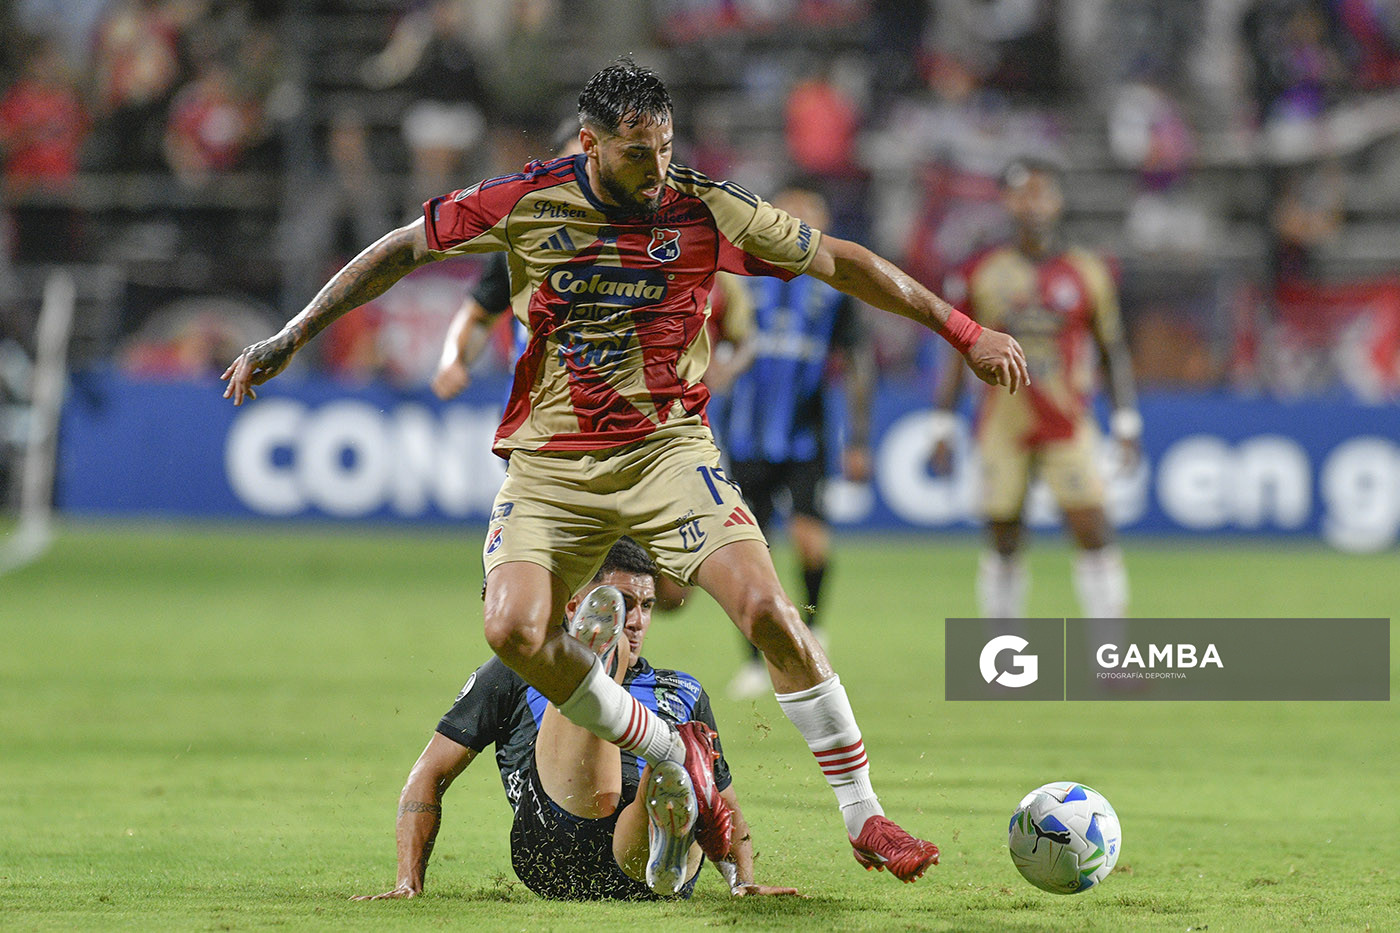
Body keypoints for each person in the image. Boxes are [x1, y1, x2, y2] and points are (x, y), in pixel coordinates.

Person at [224, 58, 1028, 882]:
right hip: (549, 467)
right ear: (591, 144)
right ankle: (654, 738)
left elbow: (843, 263)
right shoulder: (529, 201)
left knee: (773, 612)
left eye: (668, 148)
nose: (659, 170)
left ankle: (866, 817)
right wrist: (290, 334)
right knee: (512, 631)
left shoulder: (706, 206)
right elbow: (401, 251)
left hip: (667, 452)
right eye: (639, 153)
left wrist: (965, 333)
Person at [352, 538, 798, 901]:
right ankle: (594, 669)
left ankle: (664, 824)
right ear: (573, 607)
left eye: (645, 605)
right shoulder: (515, 672)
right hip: (558, 841)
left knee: (674, 775)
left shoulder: (684, 691)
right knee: (659, 742)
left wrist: (743, 881)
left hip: (642, 868)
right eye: (623, 606)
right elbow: (431, 772)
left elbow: (726, 802)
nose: (638, 621)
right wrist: (407, 881)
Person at [931, 157, 1140, 621]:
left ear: (1058, 200)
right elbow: (954, 353)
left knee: (1092, 529)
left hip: (1068, 422)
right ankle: (1003, 654)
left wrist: (1126, 420)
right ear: (1007, 202)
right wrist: (942, 423)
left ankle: (1112, 648)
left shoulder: (1089, 271)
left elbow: (1112, 349)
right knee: (1003, 536)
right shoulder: (980, 271)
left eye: (1043, 192)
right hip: (1002, 424)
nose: (1035, 204)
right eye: (1024, 193)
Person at [710, 183, 875, 700]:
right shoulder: (736, 277)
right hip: (745, 436)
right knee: (749, 554)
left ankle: (814, 628)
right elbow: (706, 340)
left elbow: (857, 362)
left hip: (807, 435)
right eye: (791, 213)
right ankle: (756, 664)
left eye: (811, 215)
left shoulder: (831, 287)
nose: (799, 224)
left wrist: (860, 438)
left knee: (810, 542)